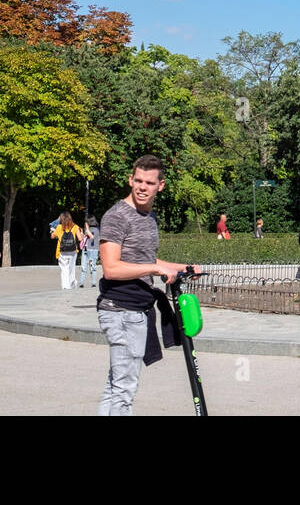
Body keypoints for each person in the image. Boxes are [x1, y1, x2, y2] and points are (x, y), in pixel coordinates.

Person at [97, 155, 201, 416]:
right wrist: (156, 269)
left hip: (136, 310)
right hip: (121, 309)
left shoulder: (148, 216)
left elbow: (144, 259)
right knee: (124, 388)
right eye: (138, 181)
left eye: (149, 182)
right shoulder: (117, 216)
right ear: (130, 180)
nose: (142, 187)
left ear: (160, 186)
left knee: (116, 386)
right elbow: (111, 268)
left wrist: (181, 267)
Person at [52, 213, 82, 289]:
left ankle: (65, 286)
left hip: (62, 251)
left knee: (64, 269)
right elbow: (80, 239)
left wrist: (52, 231)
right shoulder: (75, 226)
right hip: (72, 251)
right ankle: (72, 284)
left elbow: (52, 236)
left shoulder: (59, 227)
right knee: (71, 268)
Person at [79, 216, 101, 287]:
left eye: (86, 222)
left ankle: (93, 283)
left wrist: (87, 230)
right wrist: (82, 233)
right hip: (85, 250)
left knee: (92, 266)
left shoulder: (96, 230)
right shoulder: (87, 230)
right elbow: (84, 239)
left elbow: (91, 237)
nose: (85, 223)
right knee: (83, 267)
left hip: (92, 251)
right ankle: (81, 283)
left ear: (89, 222)